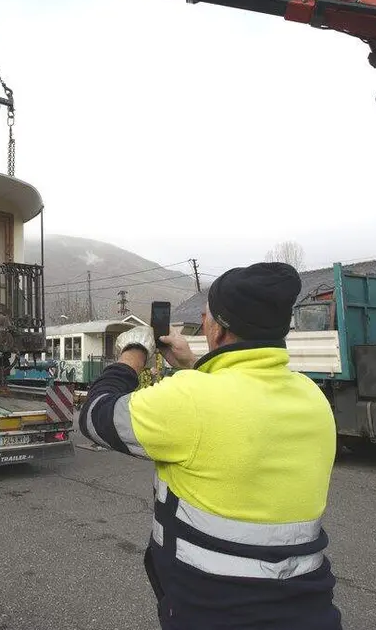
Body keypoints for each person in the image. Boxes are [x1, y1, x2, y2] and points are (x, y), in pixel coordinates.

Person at [78, 262, 342, 630]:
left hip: (212, 610)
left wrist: (134, 350)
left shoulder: (190, 399)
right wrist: (194, 364)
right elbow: (239, 403)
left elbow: (95, 415)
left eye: (206, 317)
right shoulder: (312, 398)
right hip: (309, 609)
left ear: (218, 328)